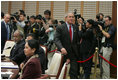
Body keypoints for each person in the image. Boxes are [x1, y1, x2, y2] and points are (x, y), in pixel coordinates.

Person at [54, 12, 80, 79]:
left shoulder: (75, 27)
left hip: (73, 53)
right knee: (61, 72)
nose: (71, 18)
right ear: (66, 18)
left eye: (72, 17)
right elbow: (56, 39)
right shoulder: (60, 27)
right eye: (70, 17)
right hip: (63, 53)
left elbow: (77, 40)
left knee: (74, 72)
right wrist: (61, 48)